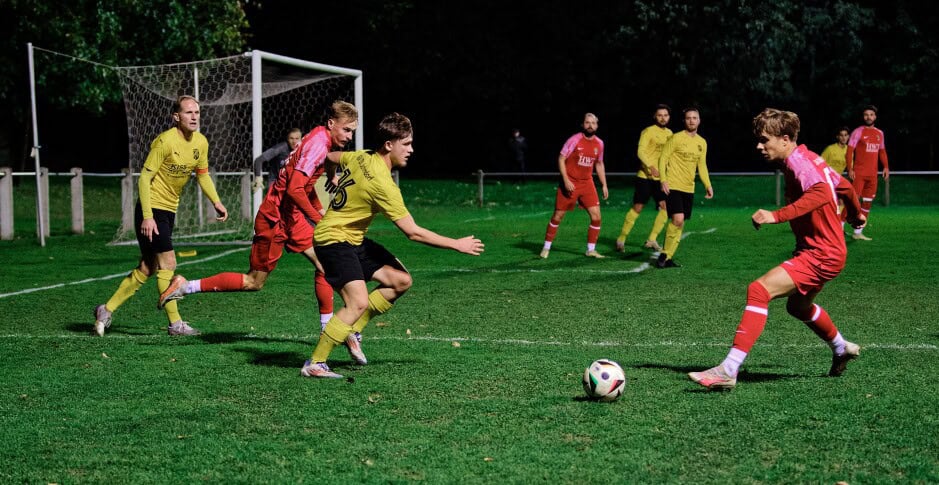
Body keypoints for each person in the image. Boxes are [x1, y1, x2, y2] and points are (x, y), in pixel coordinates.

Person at [688, 108, 865, 390]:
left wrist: (776, 215)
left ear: (785, 139)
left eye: (764, 140)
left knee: (759, 290)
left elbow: (821, 192)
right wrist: (856, 214)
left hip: (821, 253)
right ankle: (841, 347)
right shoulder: (811, 158)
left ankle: (728, 369)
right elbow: (843, 186)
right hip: (823, 250)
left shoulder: (799, 163)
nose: (759, 146)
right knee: (798, 306)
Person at [301, 112, 484, 378]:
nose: (411, 149)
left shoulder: (362, 155)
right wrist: (457, 244)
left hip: (352, 238)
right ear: (389, 144)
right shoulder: (383, 184)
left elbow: (331, 157)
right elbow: (413, 232)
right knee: (357, 302)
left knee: (400, 280)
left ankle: (353, 331)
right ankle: (316, 363)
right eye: (406, 143)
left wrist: (332, 177)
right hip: (333, 240)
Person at [158, 101, 358, 338]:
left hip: (291, 217)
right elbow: (295, 189)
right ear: (331, 124)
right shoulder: (318, 143)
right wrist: (319, 217)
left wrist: (329, 184)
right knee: (253, 281)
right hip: (274, 218)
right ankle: (185, 286)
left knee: (325, 264)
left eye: (353, 131)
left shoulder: (320, 135)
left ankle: (327, 328)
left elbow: (316, 173)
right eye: (346, 129)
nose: (350, 135)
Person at [93, 95, 229, 336]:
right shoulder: (164, 142)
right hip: (152, 209)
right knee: (169, 263)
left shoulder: (201, 142)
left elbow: (203, 174)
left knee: (147, 266)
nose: (194, 116)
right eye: (189, 112)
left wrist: (216, 202)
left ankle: (106, 309)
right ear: (176, 117)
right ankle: (176, 324)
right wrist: (147, 216)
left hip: (169, 210)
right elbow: (144, 178)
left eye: (197, 112)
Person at [539, 113, 609, 259]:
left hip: (587, 183)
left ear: (597, 125)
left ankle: (590, 250)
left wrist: (604, 184)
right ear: (582, 125)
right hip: (570, 182)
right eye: (587, 123)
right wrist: (566, 180)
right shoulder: (574, 140)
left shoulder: (599, 143)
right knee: (558, 216)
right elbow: (561, 158)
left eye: (593, 123)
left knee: (596, 216)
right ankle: (546, 247)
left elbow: (599, 163)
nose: (590, 125)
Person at [656, 107, 713, 268]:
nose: (691, 120)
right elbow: (663, 159)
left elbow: (701, 166)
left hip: (689, 188)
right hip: (673, 185)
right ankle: (664, 255)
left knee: (680, 223)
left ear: (699, 120)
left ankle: (668, 257)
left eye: (694, 118)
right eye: (688, 118)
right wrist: (663, 180)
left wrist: (707, 185)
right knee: (677, 218)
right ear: (684, 121)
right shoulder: (675, 138)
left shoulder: (702, 143)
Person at [615, 104, 672, 253]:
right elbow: (640, 151)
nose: (663, 118)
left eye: (665, 115)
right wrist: (650, 166)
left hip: (660, 178)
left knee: (666, 208)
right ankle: (621, 238)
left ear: (669, 117)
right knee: (638, 207)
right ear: (655, 116)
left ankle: (652, 239)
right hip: (645, 176)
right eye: (660, 115)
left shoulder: (670, 134)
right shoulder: (648, 131)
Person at [845, 105, 889, 241]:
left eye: (871, 114)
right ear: (863, 117)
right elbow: (850, 151)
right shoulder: (858, 132)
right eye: (866, 115)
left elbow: (882, 151)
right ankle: (838, 229)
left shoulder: (879, 133)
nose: (868, 117)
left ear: (875, 117)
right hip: (859, 173)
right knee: (852, 202)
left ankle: (857, 233)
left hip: (873, 174)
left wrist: (886, 167)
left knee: (867, 203)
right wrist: (850, 168)